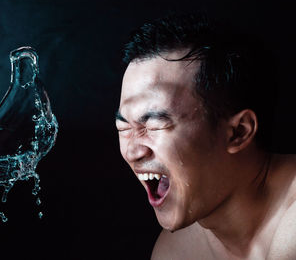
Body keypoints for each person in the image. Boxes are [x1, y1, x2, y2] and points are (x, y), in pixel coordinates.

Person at [116, 13, 296, 259]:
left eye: (155, 125)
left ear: (238, 132)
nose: (132, 151)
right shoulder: (176, 251)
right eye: (123, 129)